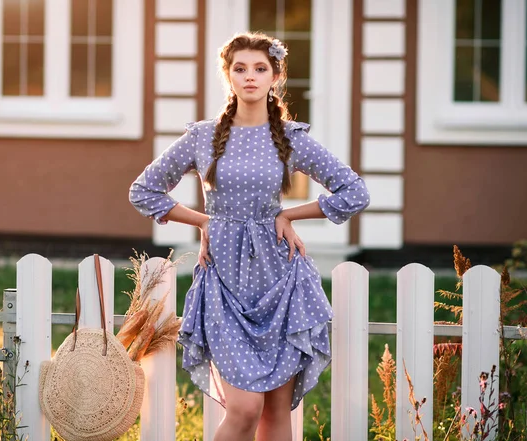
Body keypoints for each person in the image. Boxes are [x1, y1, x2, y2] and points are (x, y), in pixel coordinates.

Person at [129, 32, 369, 441]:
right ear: (228, 75)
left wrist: (290, 214)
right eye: (240, 68)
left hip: (281, 281)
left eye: (260, 69)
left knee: (276, 414)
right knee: (244, 408)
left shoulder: (291, 137)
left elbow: (354, 192)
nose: (250, 77)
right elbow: (144, 190)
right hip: (225, 282)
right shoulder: (202, 136)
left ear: (275, 76)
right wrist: (202, 221)